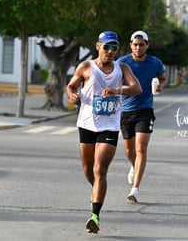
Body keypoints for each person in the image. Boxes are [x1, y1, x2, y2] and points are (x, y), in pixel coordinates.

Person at [66, 31, 141, 234]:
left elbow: (137, 87)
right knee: (88, 170)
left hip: (109, 125)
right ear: (98, 46)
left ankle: (95, 216)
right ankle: (97, 191)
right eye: (106, 46)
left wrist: (118, 91)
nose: (109, 51)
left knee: (100, 170)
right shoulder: (86, 67)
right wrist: (72, 95)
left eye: (114, 47)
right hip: (87, 124)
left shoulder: (121, 68)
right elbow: (71, 85)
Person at [116, 30, 166, 203]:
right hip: (126, 111)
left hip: (145, 110)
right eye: (135, 45)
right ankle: (133, 166)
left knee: (141, 148)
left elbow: (162, 78)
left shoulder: (155, 62)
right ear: (130, 45)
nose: (138, 48)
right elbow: (114, 80)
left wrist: (159, 87)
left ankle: (135, 188)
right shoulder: (122, 62)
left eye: (141, 45)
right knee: (130, 151)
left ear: (147, 45)